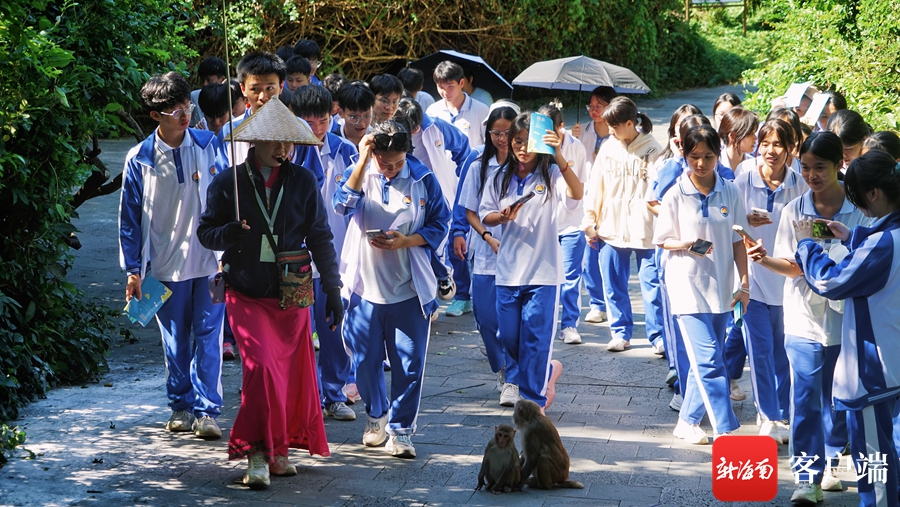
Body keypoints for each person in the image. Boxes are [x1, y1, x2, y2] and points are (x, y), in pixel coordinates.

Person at [198, 98, 342, 488]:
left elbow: (321, 237)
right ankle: (257, 452)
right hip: (245, 290)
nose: (283, 149)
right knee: (260, 368)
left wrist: (333, 287)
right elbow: (206, 233)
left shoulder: (304, 181)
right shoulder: (228, 182)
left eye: (288, 142)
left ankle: (280, 451)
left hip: (291, 291)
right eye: (275, 141)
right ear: (255, 141)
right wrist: (228, 233)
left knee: (289, 375)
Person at [744, 131, 863, 503]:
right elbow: (792, 264)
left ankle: (833, 461)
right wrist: (765, 260)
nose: (812, 175)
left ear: (838, 165)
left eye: (820, 168)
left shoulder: (858, 208)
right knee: (806, 397)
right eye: (806, 167)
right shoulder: (795, 210)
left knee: (840, 398)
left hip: (846, 321)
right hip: (802, 319)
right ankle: (807, 477)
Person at [118, 71, 226, 440]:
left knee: (209, 336)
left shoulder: (209, 145)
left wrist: (231, 250)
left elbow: (229, 197)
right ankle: (181, 405)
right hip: (164, 266)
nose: (184, 115)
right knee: (176, 340)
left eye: (186, 107)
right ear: (155, 116)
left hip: (211, 263)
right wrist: (133, 270)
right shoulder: (140, 159)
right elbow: (130, 218)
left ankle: (207, 411)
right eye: (175, 111)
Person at [334, 119, 450, 459]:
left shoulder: (423, 179)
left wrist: (406, 241)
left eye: (398, 163)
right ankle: (376, 415)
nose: (391, 169)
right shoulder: (360, 172)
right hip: (364, 288)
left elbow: (440, 222)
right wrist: (362, 160)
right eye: (385, 163)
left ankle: (401, 431)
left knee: (409, 364)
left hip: (409, 289)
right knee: (364, 360)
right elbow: (342, 205)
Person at [793, 149, 900, 507]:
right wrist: (852, 238)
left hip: (874, 371)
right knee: (887, 457)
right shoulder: (887, 237)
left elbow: (831, 282)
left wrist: (807, 246)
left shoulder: (883, 243)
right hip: (892, 363)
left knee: (875, 465)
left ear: (874, 194)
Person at [480, 112, 583, 411]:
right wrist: (501, 217)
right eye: (517, 141)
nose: (522, 148)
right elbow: (485, 213)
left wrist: (559, 155)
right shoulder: (499, 176)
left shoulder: (551, 175)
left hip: (543, 274)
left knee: (535, 340)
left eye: (529, 142)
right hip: (508, 272)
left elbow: (576, 193)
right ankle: (547, 371)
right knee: (508, 336)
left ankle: (533, 402)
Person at [653, 124, 750, 443]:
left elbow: (739, 241)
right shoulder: (675, 193)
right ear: (684, 154)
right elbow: (662, 239)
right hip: (686, 287)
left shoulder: (730, 191)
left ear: (718, 155)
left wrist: (744, 283)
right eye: (694, 156)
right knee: (708, 359)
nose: (701, 163)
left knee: (708, 359)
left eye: (708, 156)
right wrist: (686, 243)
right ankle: (726, 428)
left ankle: (687, 421)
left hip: (721, 287)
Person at [734, 119, 808, 444]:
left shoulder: (800, 184)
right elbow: (726, 223)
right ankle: (768, 415)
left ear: (791, 148)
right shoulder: (743, 179)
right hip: (753, 283)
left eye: (778, 144)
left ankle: (784, 413)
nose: (770, 151)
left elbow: (812, 229)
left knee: (784, 353)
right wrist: (743, 220)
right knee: (760, 351)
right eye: (765, 143)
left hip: (788, 284)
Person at [290, 84, 361, 421]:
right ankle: (307, 397)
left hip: (336, 258)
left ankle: (334, 393)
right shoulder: (287, 151)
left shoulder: (346, 151)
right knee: (299, 333)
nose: (317, 129)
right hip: (297, 260)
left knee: (334, 328)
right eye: (309, 122)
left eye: (323, 121)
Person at [582, 97, 664, 353]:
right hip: (611, 228)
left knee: (652, 285)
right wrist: (590, 221)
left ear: (630, 123)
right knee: (613, 284)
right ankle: (620, 332)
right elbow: (595, 187)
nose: (611, 131)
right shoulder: (608, 148)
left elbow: (661, 192)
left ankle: (658, 335)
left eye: (615, 126)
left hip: (647, 229)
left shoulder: (653, 149)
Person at [455, 103, 519, 401]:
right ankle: (501, 368)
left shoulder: (526, 164)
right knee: (485, 319)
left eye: (508, 132)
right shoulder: (478, 164)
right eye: (496, 133)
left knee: (512, 322)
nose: (502, 139)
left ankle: (513, 379)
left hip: (519, 253)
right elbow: (470, 210)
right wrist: (487, 237)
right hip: (485, 253)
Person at [397, 98, 474, 317]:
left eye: (417, 125)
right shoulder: (396, 133)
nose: (416, 130)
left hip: (440, 194)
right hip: (410, 197)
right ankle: (430, 296)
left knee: (451, 242)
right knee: (418, 244)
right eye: (412, 128)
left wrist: (462, 178)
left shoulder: (436, 126)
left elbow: (463, 148)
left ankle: (460, 294)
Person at [536, 105, 589, 345]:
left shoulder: (576, 147)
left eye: (552, 131)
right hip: (545, 224)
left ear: (561, 127)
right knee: (543, 277)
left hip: (571, 223)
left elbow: (580, 186)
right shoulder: (535, 147)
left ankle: (569, 325)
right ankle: (543, 323)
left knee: (570, 277)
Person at [572, 86, 619, 325]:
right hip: (588, 199)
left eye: (599, 106)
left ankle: (614, 303)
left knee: (612, 255)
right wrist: (572, 139)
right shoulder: (582, 132)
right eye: (590, 106)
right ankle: (597, 303)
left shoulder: (619, 134)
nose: (594, 110)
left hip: (612, 199)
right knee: (589, 252)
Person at [219, 51, 285, 167]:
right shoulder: (230, 131)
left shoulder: (300, 129)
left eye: (270, 88)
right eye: (255, 89)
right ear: (243, 89)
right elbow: (222, 173)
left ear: (281, 87)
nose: (263, 97)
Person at [426, 61, 490, 148]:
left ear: (461, 83)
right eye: (441, 87)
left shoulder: (481, 110)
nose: (445, 92)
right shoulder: (433, 111)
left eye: (450, 86)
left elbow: (489, 145)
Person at [717, 107, 758, 173]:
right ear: (732, 136)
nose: (755, 138)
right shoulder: (716, 165)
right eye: (750, 134)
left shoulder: (754, 166)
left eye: (754, 133)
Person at [336, 81, 375, 148]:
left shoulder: (377, 140)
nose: (361, 124)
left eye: (366, 116)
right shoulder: (332, 142)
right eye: (354, 117)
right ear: (341, 113)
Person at [190, 56, 227, 128]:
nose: (205, 84)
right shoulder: (194, 96)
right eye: (202, 80)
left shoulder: (229, 98)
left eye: (209, 80)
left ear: (222, 80)